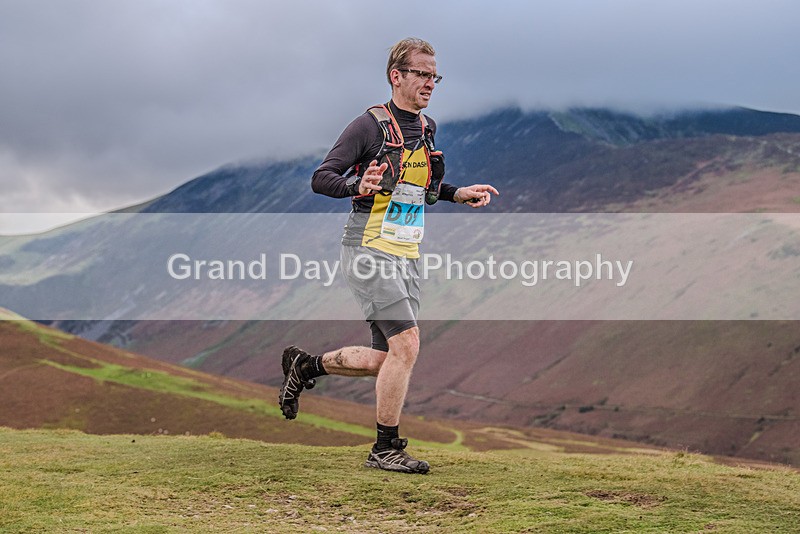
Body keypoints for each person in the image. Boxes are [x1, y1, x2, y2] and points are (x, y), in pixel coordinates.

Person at [279, 37, 498, 474]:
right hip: (368, 247)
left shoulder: (427, 127)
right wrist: (355, 186)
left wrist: (457, 193)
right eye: (422, 74)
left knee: (387, 359)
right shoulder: (368, 126)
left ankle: (307, 365)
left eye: (435, 76)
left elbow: (420, 188)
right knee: (409, 343)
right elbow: (321, 178)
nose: (430, 83)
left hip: (406, 252)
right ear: (396, 76)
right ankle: (385, 447)